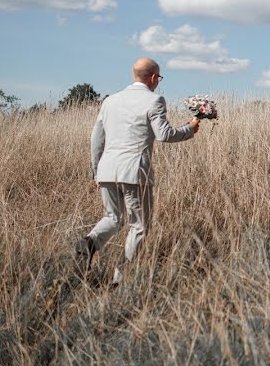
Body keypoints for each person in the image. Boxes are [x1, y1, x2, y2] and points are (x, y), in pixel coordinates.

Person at [76, 58, 200, 286]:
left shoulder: (110, 101)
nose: (158, 83)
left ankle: (90, 242)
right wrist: (190, 128)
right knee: (139, 226)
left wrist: (96, 171)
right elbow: (165, 135)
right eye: (158, 79)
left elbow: (96, 138)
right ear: (153, 78)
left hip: (106, 170)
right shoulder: (154, 100)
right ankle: (119, 281)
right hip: (135, 172)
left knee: (113, 218)